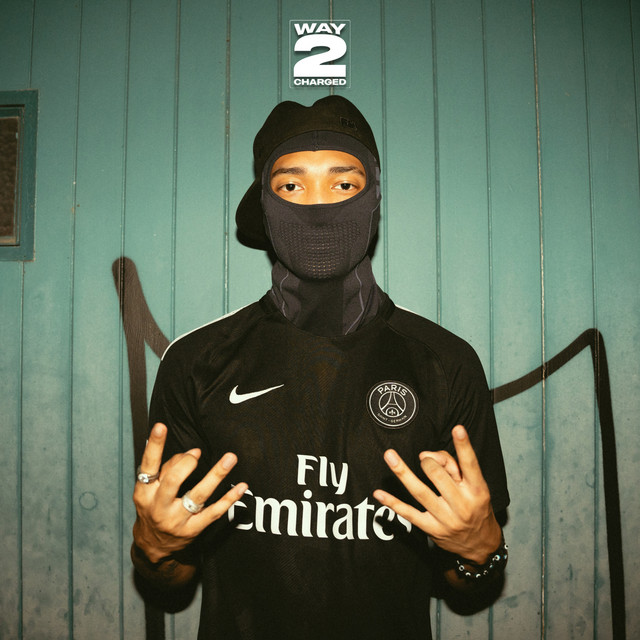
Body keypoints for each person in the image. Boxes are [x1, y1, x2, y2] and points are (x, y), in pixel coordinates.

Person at [131, 95, 510, 639]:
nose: (318, 208)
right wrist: (154, 547)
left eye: (343, 184)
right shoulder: (197, 363)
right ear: (265, 206)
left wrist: (480, 549)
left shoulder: (445, 363)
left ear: (373, 199)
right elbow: (171, 580)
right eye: (291, 186)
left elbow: (467, 582)